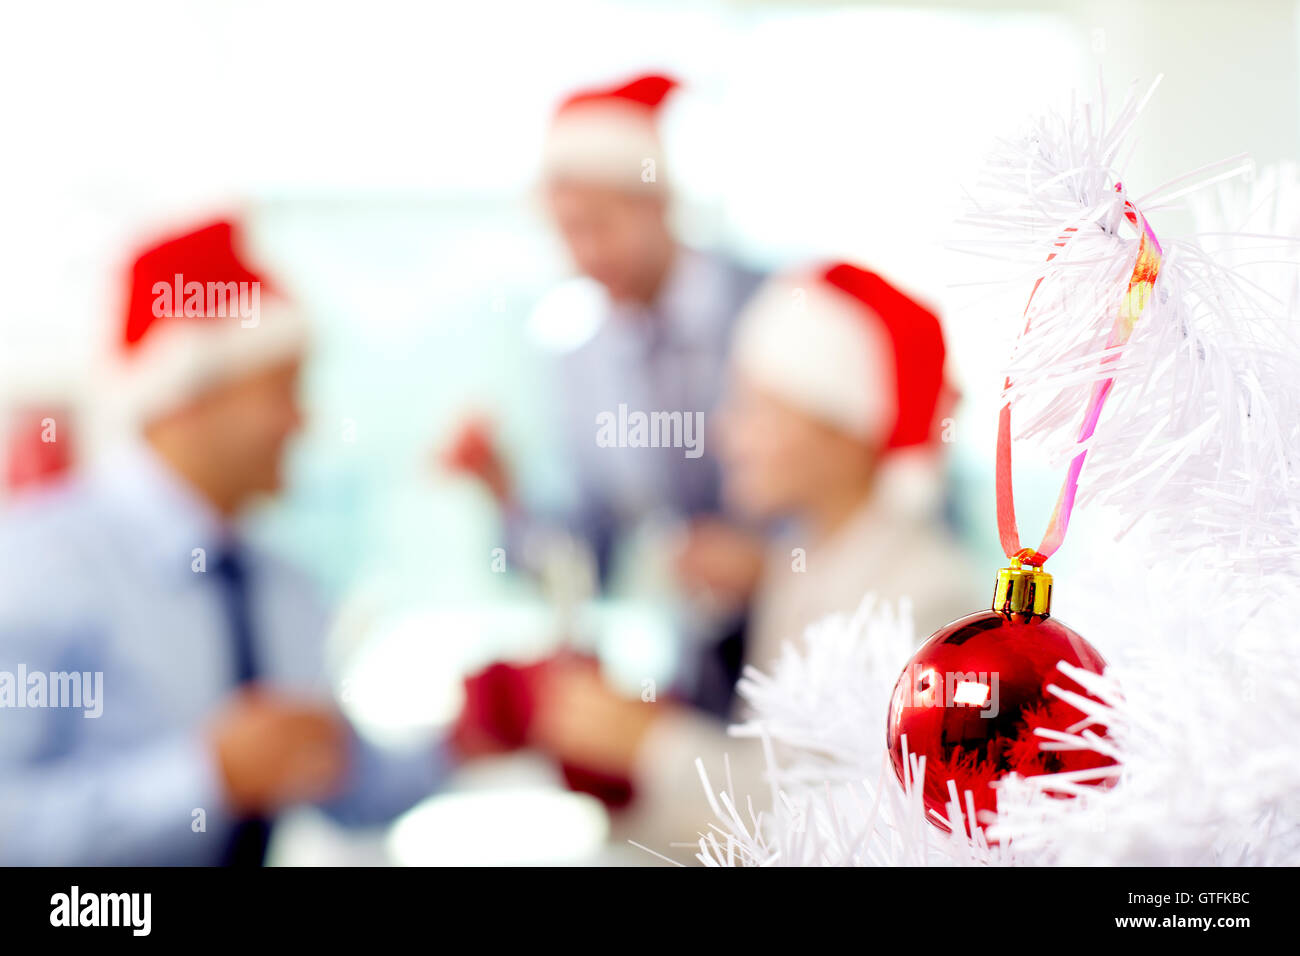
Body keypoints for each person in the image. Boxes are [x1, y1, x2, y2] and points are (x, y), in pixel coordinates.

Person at [0, 219, 455, 865]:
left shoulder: (283, 586)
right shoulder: (35, 562)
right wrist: (204, 778)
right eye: (282, 390)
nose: (304, 420)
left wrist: (465, 740)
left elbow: (338, 782)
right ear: (187, 399)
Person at [529, 262, 983, 851]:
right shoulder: (805, 559)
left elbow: (832, 826)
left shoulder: (923, 594)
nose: (724, 433)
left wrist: (648, 744)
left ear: (841, 432)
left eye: (754, 408)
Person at [445, 72, 765, 714]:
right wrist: (504, 494)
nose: (584, 254)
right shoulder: (580, 360)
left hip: (824, 646)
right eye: (566, 232)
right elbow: (587, 554)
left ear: (658, 201)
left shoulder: (773, 311)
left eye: (598, 225)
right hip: (699, 683)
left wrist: (774, 565)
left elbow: (887, 506)